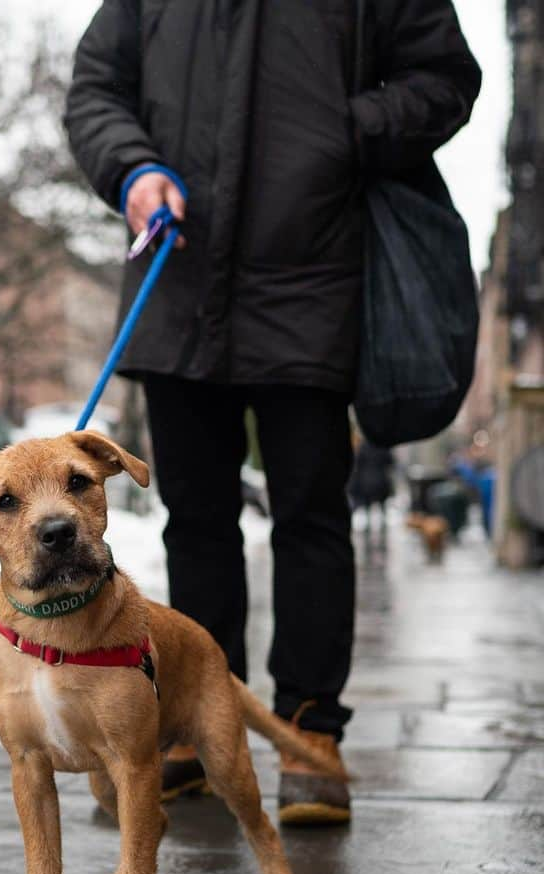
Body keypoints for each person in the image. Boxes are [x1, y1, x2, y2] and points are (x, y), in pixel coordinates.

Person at [65, 0, 480, 824]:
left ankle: (308, 732)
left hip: (314, 283)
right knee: (197, 520)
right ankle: (186, 727)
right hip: (178, 289)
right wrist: (134, 168)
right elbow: (95, 89)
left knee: (311, 516)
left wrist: (345, 127)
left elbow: (446, 79)